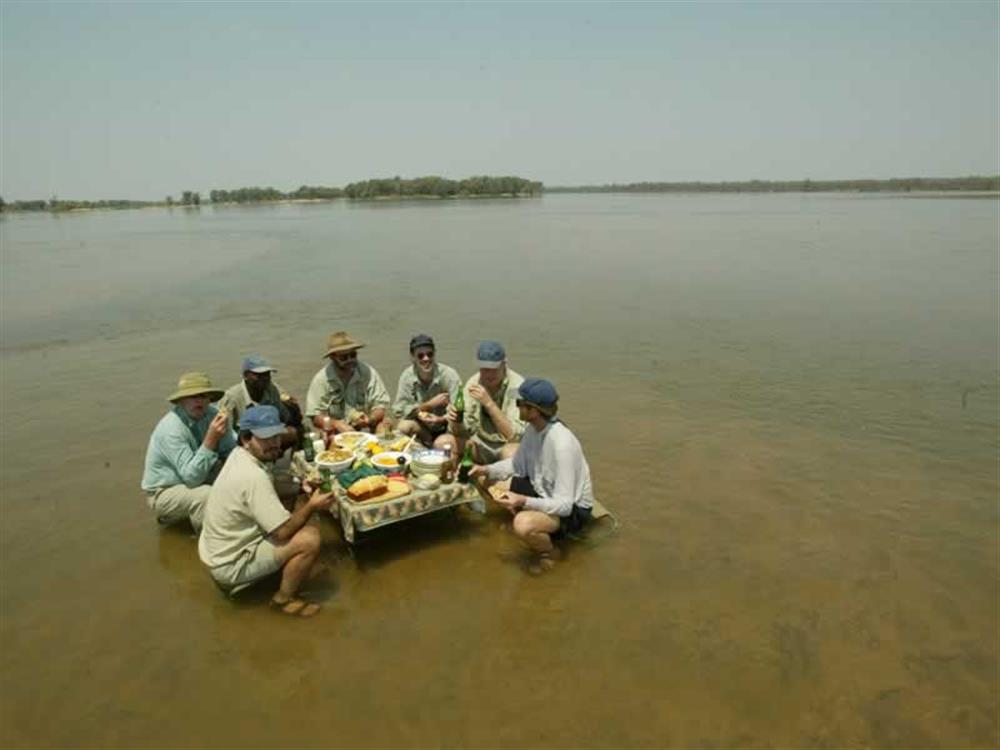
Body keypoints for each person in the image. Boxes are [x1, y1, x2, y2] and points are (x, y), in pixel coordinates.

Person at [198, 405, 336, 617]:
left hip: (216, 553)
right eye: (265, 439)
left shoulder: (239, 456)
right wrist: (312, 506)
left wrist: (301, 486)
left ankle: (276, 570)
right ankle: (283, 599)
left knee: (290, 500)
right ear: (246, 439)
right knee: (310, 538)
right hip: (230, 564)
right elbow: (282, 532)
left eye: (276, 437)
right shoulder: (253, 476)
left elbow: (272, 485)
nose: (274, 444)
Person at [469, 378, 594, 571]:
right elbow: (517, 464)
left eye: (520, 404)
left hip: (573, 509)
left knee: (522, 524)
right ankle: (534, 524)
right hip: (542, 490)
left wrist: (522, 501)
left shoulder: (562, 445)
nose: (517, 407)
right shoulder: (533, 429)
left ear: (533, 411)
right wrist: (487, 469)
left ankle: (549, 552)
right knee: (487, 480)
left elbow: (565, 506)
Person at [141, 372, 235, 532]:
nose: (199, 400)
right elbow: (192, 479)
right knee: (205, 495)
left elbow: (231, 451)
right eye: (193, 396)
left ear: (210, 399)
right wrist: (211, 439)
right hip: (166, 491)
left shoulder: (213, 414)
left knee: (242, 476)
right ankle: (207, 542)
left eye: (204, 396)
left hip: (199, 475)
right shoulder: (171, 428)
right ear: (181, 401)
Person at [305, 331, 391, 444]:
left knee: (385, 424)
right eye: (344, 357)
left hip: (365, 426)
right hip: (336, 431)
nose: (350, 360)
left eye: (353, 355)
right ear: (332, 357)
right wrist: (337, 424)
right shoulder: (321, 379)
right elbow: (315, 416)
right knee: (325, 436)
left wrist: (370, 419)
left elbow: (381, 405)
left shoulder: (367, 372)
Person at [447, 340, 525, 463]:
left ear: (504, 364)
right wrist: (456, 421)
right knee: (443, 443)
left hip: (506, 446)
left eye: (493, 369)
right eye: (484, 369)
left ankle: (503, 479)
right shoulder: (473, 383)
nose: (488, 374)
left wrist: (488, 403)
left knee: (512, 454)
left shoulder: (517, 387)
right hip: (480, 445)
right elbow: (464, 432)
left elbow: (513, 436)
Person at [392, 333, 463, 450]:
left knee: (457, 422)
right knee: (402, 427)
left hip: (447, 427)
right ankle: (422, 447)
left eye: (430, 354)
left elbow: (459, 411)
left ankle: (449, 449)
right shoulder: (407, 377)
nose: (426, 359)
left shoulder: (450, 375)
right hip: (422, 428)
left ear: (435, 353)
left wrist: (441, 419)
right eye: (420, 356)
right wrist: (427, 406)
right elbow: (399, 410)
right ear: (412, 357)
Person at [217, 354, 301, 449]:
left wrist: (292, 409)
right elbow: (224, 434)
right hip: (245, 443)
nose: (264, 378)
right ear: (245, 376)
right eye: (259, 375)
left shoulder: (272, 389)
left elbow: (284, 417)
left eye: (267, 374)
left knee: (294, 431)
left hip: (268, 434)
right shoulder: (232, 397)